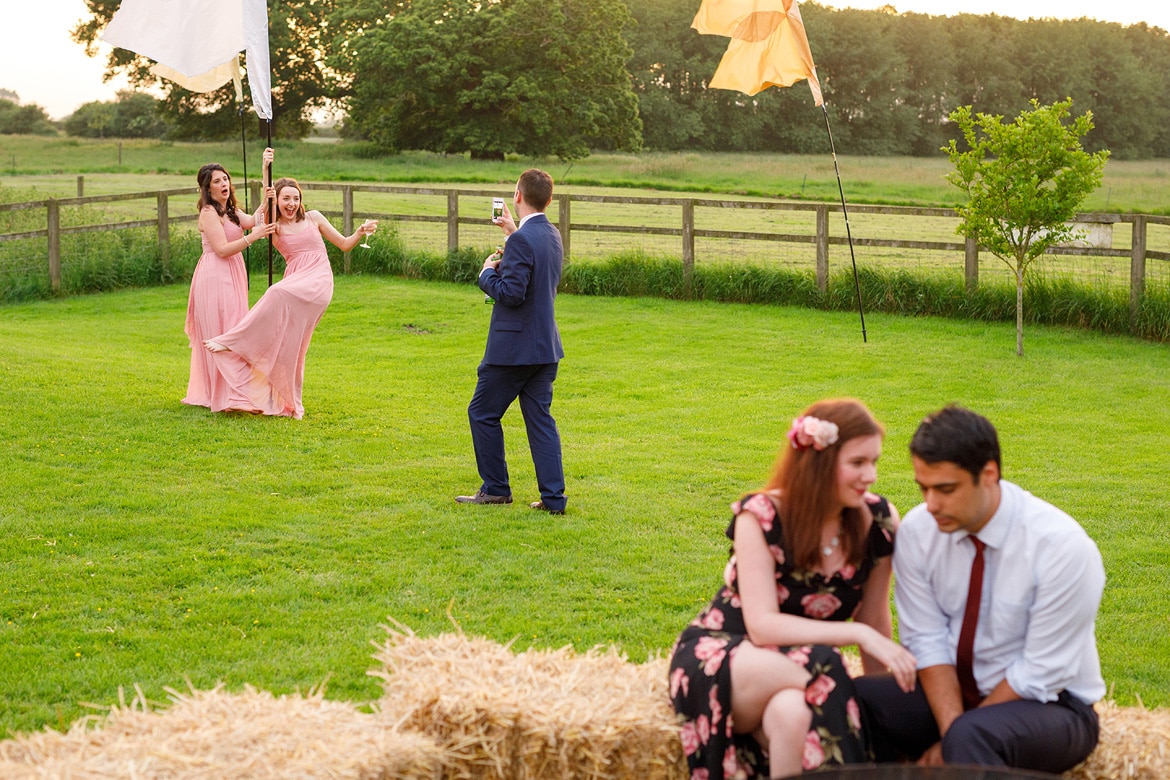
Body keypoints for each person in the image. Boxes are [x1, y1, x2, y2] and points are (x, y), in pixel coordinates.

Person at [669, 399, 918, 779]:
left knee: (792, 713)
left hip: (796, 664)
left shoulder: (879, 521)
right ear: (819, 461)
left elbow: (874, 615)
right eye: (857, 463)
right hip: (727, 651)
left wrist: (882, 699)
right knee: (826, 663)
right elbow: (763, 626)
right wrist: (857, 634)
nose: (871, 475)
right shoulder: (761, 516)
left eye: (875, 462)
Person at [855, 405, 1105, 774]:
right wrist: (951, 727)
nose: (931, 504)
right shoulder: (919, 531)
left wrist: (952, 739)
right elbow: (926, 641)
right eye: (922, 488)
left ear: (989, 474)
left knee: (971, 738)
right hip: (954, 695)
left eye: (946, 489)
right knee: (854, 697)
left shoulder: (1062, 547)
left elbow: (1039, 673)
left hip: (1053, 706)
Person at [204, 151, 377, 419]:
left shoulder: (314, 218)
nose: (292, 203)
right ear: (279, 201)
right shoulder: (273, 227)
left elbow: (344, 244)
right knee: (290, 344)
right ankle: (285, 399)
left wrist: (359, 232)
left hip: (318, 280)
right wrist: (265, 170)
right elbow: (262, 209)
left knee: (276, 291)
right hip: (295, 280)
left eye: (296, 198)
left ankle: (232, 340)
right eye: (286, 198)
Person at [455, 169, 567, 514]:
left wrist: (486, 274)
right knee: (540, 422)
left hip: (513, 350)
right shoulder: (551, 234)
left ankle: (496, 489)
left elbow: (513, 294)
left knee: (482, 413)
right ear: (548, 200)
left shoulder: (522, 241)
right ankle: (553, 500)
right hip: (544, 347)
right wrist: (511, 231)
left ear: (517, 196)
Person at [182, 154, 275, 412]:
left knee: (236, 329)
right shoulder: (209, 212)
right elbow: (222, 249)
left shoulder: (230, 211)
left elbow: (256, 219)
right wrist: (253, 238)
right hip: (214, 276)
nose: (223, 183)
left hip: (233, 275)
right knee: (224, 332)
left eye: (225, 178)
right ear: (207, 189)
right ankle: (227, 397)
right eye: (216, 181)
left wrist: (264, 169)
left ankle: (238, 395)